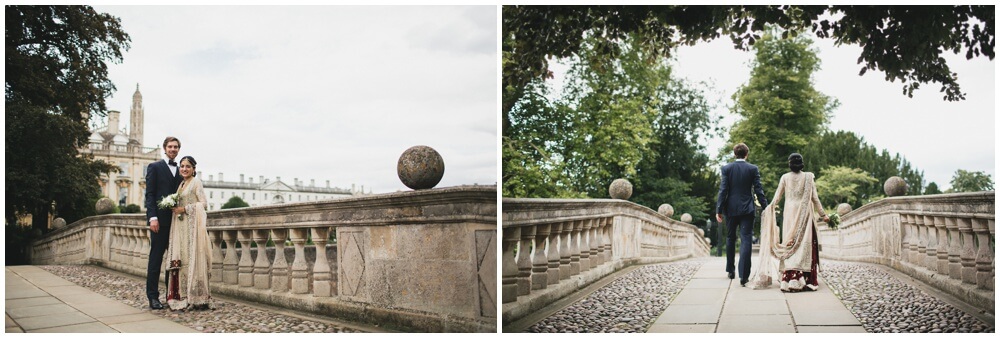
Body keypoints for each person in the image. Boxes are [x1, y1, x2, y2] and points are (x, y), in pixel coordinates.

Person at [748, 153, 830, 292]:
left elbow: (777, 197)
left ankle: (789, 278)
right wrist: (824, 215)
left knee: (790, 242)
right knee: (802, 244)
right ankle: (801, 278)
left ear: (789, 164)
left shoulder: (785, 177)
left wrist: (768, 209)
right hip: (805, 214)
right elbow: (815, 199)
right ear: (802, 163)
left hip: (790, 212)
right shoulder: (809, 177)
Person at [716, 143, 768, 287]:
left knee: (730, 238)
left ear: (734, 154)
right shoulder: (753, 169)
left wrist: (718, 210)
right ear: (747, 154)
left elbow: (723, 190)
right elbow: (758, 189)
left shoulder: (726, 168)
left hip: (730, 209)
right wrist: (766, 206)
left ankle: (731, 270)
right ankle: (744, 276)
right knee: (746, 239)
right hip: (747, 209)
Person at [165, 155, 213, 310]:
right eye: (182, 166)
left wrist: (184, 209)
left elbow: (204, 204)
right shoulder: (182, 184)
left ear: (193, 169)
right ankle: (183, 297)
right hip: (181, 228)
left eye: (188, 166)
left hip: (192, 229)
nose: (184, 169)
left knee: (193, 259)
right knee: (183, 261)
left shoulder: (196, 183)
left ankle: (197, 297)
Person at [144, 136, 183, 309]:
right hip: (159, 222)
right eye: (170, 146)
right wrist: (152, 218)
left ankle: (171, 294)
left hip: (177, 222)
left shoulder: (182, 169)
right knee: (156, 260)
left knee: (173, 261)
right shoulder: (155, 167)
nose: (173, 149)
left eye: (176, 147)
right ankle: (152, 297)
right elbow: (150, 195)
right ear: (164, 148)